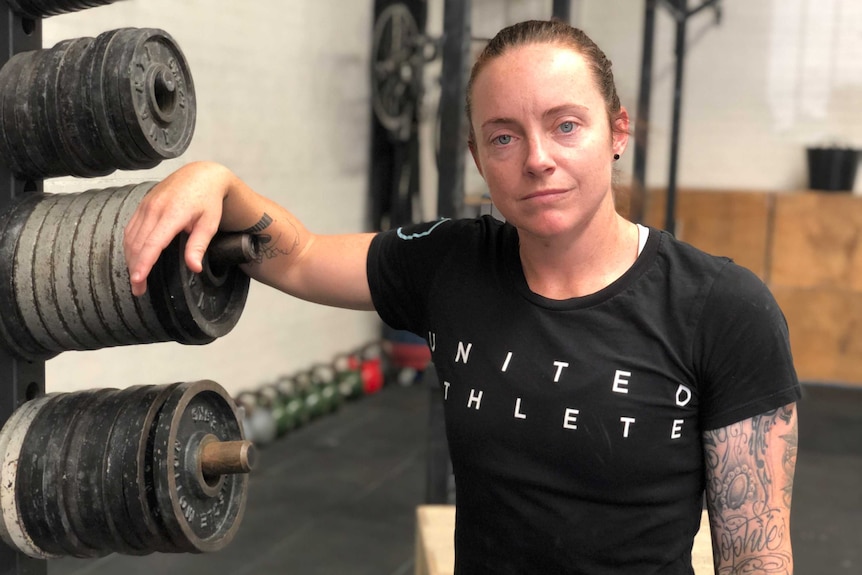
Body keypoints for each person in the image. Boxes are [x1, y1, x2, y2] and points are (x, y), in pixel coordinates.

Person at [124, 19, 800, 575]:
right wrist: (216, 180)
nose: (537, 158)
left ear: (617, 131)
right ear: (478, 158)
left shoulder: (722, 307)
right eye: (504, 136)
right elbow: (298, 257)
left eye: (567, 125)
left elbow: (757, 557)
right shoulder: (452, 263)